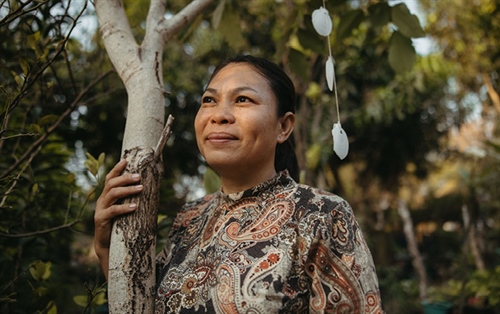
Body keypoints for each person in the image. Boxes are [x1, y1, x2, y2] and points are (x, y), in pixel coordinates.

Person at [94, 55, 383, 313]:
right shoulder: (188, 219)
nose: (219, 115)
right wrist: (108, 246)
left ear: (283, 126)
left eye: (243, 99)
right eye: (209, 100)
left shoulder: (321, 214)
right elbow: (139, 303)